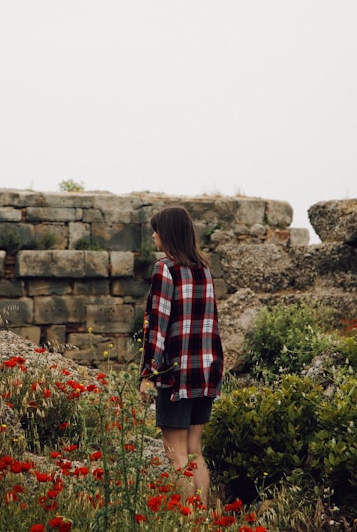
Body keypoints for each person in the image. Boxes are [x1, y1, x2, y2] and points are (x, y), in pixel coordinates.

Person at [139, 205, 224, 501]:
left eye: (156, 230)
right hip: (205, 374)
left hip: (176, 377)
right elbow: (212, 325)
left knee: (176, 455)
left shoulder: (165, 269)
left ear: (168, 233)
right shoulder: (204, 269)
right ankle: (203, 518)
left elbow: (157, 326)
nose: (153, 235)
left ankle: (187, 520)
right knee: (194, 451)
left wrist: (148, 375)